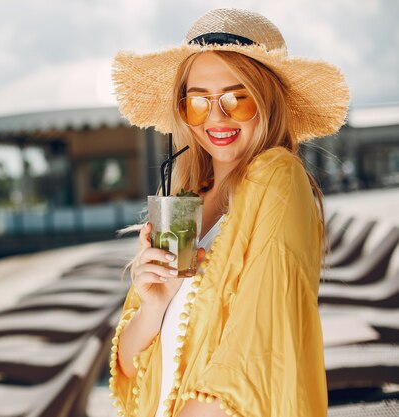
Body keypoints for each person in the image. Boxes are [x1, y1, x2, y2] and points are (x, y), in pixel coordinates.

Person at [108, 8, 349, 417]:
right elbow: (130, 367)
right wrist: (153, 305)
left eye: (236, 99)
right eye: (198, 102)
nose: (216, 117)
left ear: (268, 100)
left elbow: (251, 359)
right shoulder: (184, 200)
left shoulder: (278, 179)